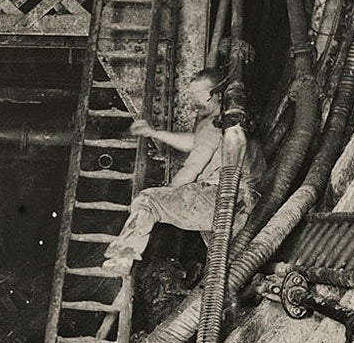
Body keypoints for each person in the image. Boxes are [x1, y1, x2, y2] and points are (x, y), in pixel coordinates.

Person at [98, 69, 249, 277]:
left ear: (216, 94)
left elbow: (191, 169)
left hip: (222, 199)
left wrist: (166, 195)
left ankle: (123, 256)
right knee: (230, 262)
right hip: (242, 202)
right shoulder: (227, 121)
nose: (193, 101)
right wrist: (153, 132)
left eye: (198, 95)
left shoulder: (215, 124)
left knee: (148, 200)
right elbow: (195, 142)